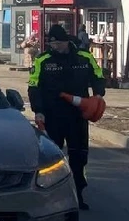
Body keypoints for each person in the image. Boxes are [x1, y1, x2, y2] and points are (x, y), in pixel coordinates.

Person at [27, 24, 105, 210]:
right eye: (52, 44)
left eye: (58, 43)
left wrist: (98, 94)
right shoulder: (43, 60)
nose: (55, 47)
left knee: (79, 156)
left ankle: (77, 193)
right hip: (53, 115)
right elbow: (34, 86)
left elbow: (97, 75)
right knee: (52, 158)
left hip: (78, 116)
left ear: (66, 42)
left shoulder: (84, 57)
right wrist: (38, 110)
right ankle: (51, 196)